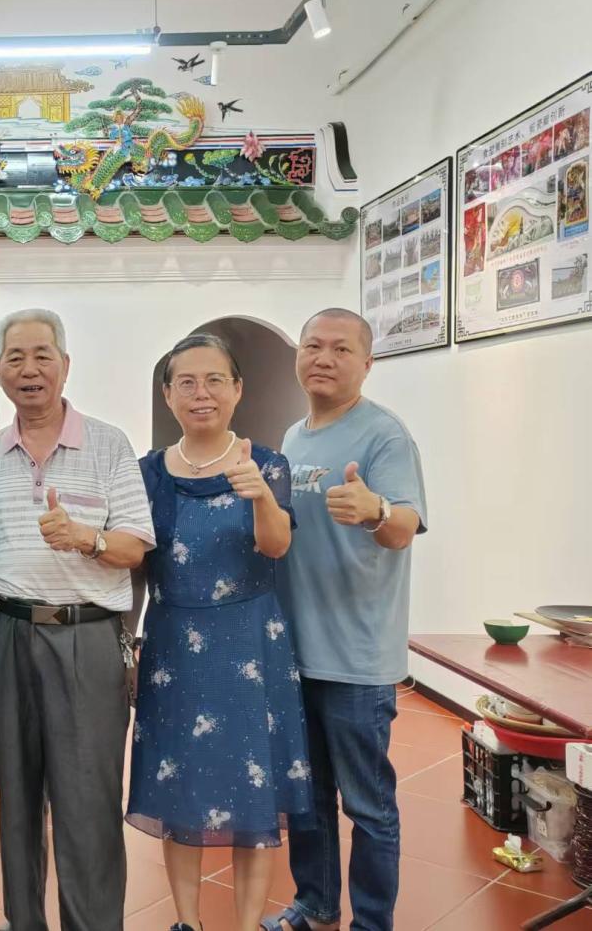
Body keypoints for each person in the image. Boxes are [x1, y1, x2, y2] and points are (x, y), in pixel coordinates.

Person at [0, 308, 154, 931]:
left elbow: (135, 547)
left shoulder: (109, 445)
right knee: (16, 799)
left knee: (88, 802)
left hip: (87, 636)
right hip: (8, 635)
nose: (30, 369)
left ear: (65, 365)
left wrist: (85, 538)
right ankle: (23, 921)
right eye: (15, 357)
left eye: (42, 355)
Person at [126, 334, 313, 931]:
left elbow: (276, 546)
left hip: (250, 642)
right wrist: (128, 644)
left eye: (214, 380)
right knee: (176, 781)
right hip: (173, 647)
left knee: (254, 788)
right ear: (168, 394)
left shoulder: (268, 463)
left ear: (237, 390)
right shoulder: (148, 473)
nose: (200, 393)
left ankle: (248, 922)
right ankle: (187, 921)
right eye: (186, 382)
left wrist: (259, 496)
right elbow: (137, 565)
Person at [264, 309, 426, 931]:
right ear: (298, 356)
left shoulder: (385, 435)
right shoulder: (294, 435)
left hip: (357, 657)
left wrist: (376, 508)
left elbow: (403, 528)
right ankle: (316, 904)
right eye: (313, 346)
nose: (323, 358)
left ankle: (372, 923)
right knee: (306, 797)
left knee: (368, 805)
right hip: (297, 652)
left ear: (367, 363)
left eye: (340, 348)